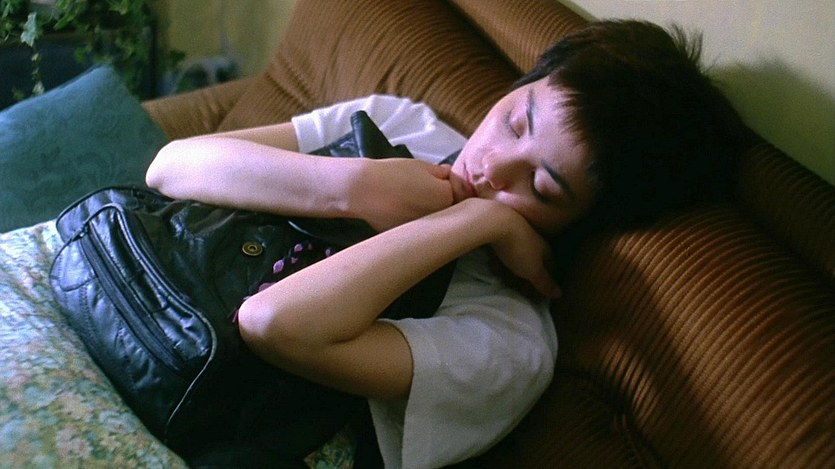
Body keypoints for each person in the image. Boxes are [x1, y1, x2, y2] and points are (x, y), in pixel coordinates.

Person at [145, 20, 746, 469]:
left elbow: (275, 324)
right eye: (515, 122)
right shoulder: (403, 126)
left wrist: (474, 221)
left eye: (540, 186)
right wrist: (353, 185)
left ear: (584, 228)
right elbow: (171, 167)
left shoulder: (510, 340)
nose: (491, 167)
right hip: (135, 304)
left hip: (190, 412)